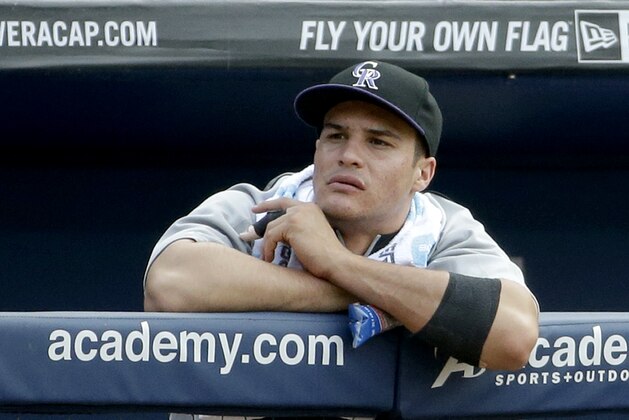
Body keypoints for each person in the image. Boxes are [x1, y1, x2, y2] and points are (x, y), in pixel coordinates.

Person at [144, 60, 539, 373]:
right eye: (335, 136)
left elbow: (514, 335)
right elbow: (169, 285)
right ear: (317, 149)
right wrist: (380, 297)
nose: (349, 154)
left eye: (378, 142)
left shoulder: (443, 229)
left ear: (423, 173)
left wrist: (336, 262)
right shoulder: (259, 204)